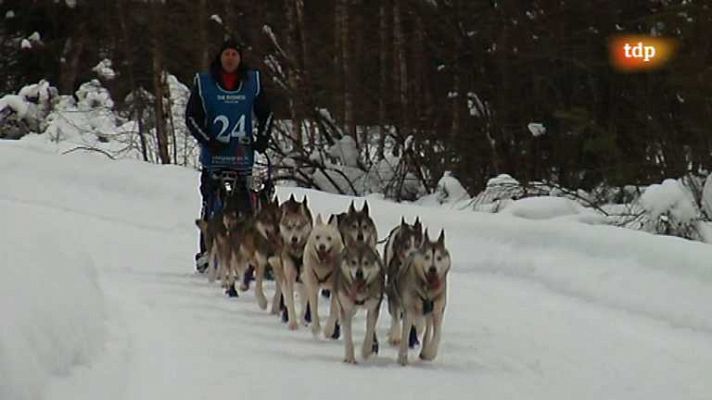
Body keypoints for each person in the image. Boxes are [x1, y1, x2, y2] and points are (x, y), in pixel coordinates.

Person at [185, 38, 273, 273]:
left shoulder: (252, 82)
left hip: (242, 155)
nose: (230, 58)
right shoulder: (204, 83)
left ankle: (252, 252)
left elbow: (266, 113)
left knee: (248, 207)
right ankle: (207, 251)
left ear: (240, 58)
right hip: (214, 156)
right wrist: (207, 139)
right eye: (227, 54)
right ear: (220, 57)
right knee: (211, 205)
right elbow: (191, 116)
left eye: (235, 54)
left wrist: (263, 138)